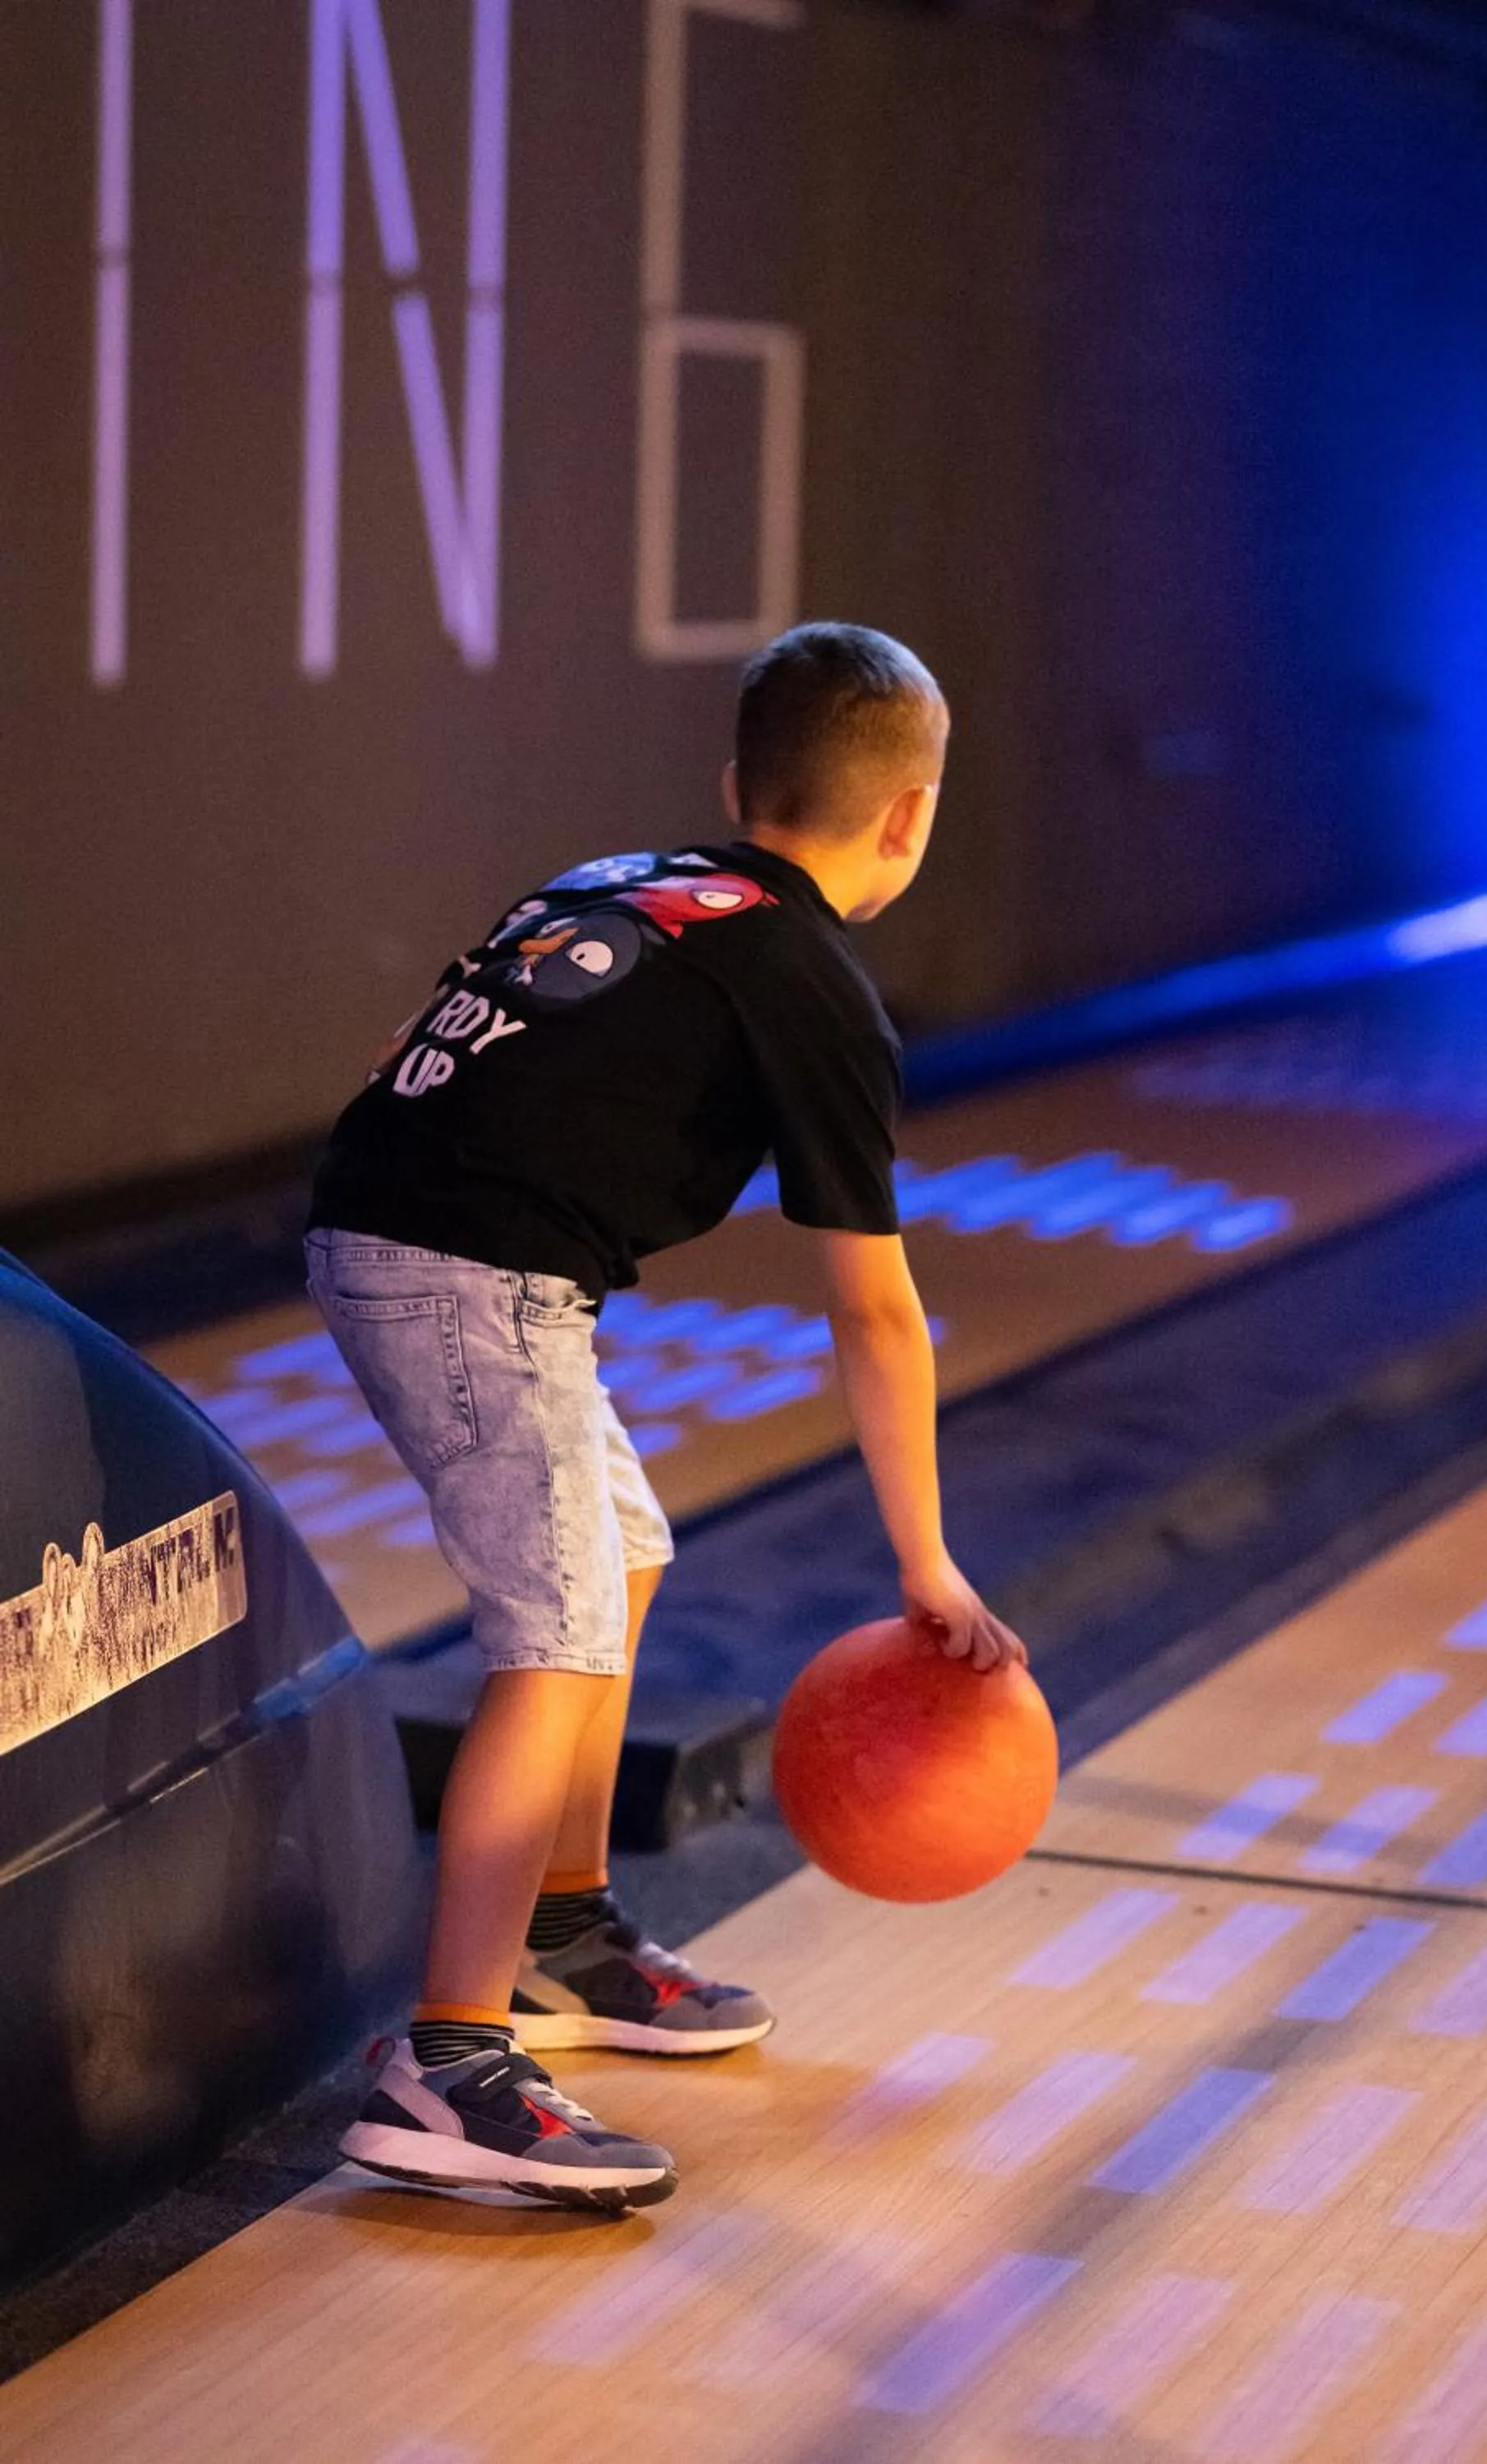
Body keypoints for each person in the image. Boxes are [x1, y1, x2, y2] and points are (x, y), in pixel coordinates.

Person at [305, 621, 1026, 2209]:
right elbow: (875, 1309)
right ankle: (450, 2064)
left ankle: (562, 1936)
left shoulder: (619, 881)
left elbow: (406, 1061)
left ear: (733, 783)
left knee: (620, 1561)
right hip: (471, 1278)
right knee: (557, 1640)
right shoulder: (813, 982)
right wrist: (927, 1563)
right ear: (908, 816)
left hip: (415, 1238)